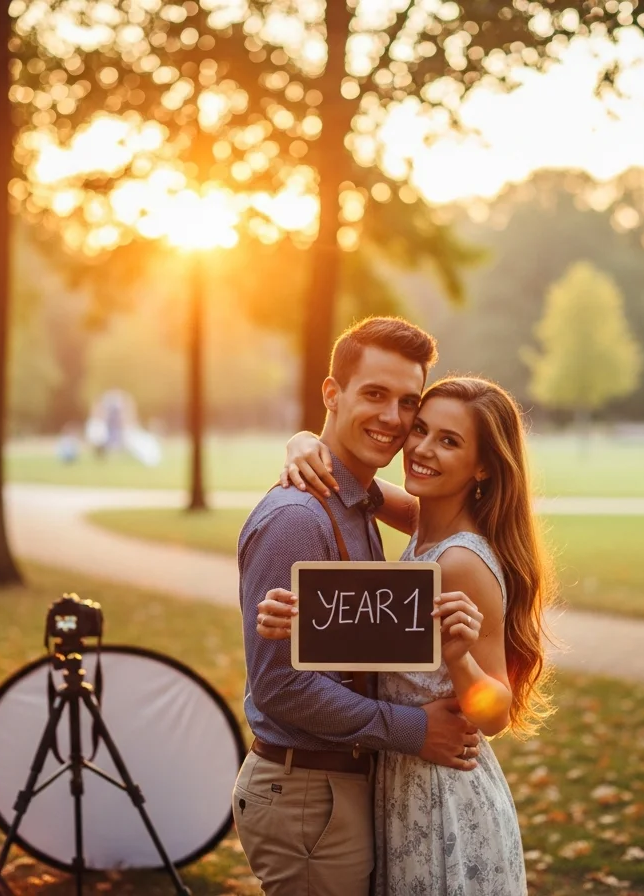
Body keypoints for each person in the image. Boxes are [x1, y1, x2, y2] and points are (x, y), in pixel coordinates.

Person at [257, 375, 556, 895]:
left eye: (449, 441)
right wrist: (305, 442)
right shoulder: (424, 523)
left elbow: (495, 714)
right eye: (420, 429)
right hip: (401, 782)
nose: (421, 449)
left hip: (443, 797)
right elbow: (351, 484)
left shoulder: (461, 561)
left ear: (482, 466)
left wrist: (460, 658)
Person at [235, 318, 485, 896]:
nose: (394, 419)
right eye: (374, 394)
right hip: (307, 796)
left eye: (407, 402)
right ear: (332, 394)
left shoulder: (355, 500)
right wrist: (414, 729)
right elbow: (283, 687)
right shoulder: (298, 519)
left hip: (340, 789)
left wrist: (307, 441)